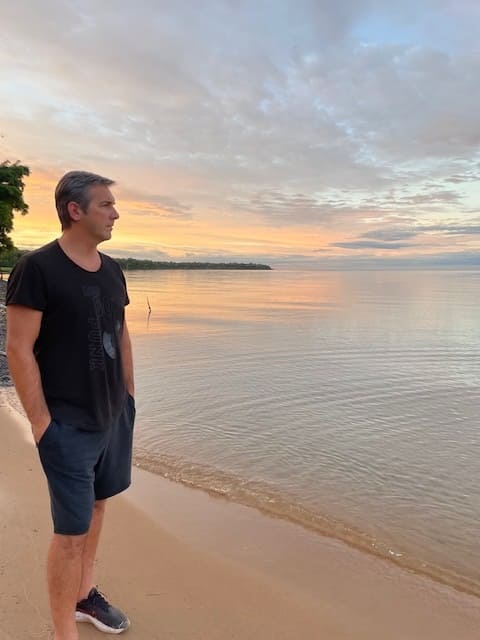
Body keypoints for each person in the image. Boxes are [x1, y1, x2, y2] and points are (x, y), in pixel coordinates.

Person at [6, 171, 135, 639]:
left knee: (98, 508)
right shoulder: (37, 269)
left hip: (112, 416)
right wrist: (41, 423)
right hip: (66, 425)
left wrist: (130, 398)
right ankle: (65, 632)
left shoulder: (113, 269)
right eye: (105, 204)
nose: (115, 212)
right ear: (74, 210)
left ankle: (85, 595)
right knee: (70, 532)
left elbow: (121, 332)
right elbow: (18, 348)